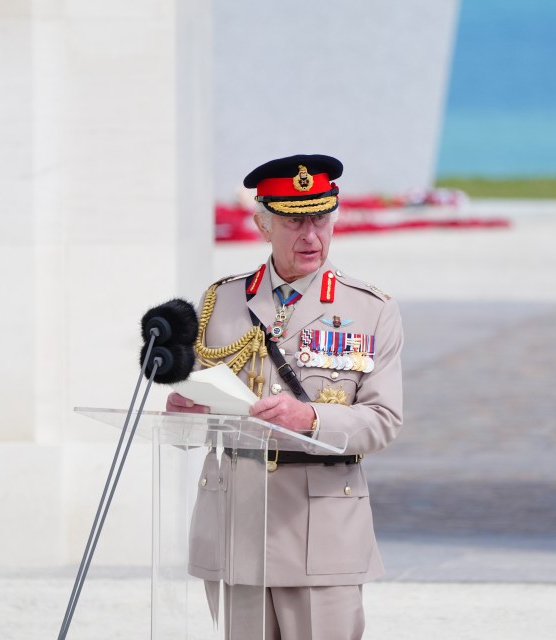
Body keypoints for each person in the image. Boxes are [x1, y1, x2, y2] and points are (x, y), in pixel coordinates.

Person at [166, 154, 404, 640]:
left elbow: (383, 420)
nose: (311, 236)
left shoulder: (369, 309)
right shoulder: (221, 301)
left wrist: (311, 417)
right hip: (237, 524)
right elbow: (195, 426)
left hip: (321, 528)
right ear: (263, 224)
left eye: (321, 219)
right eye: (295, 223)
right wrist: (184, 414)